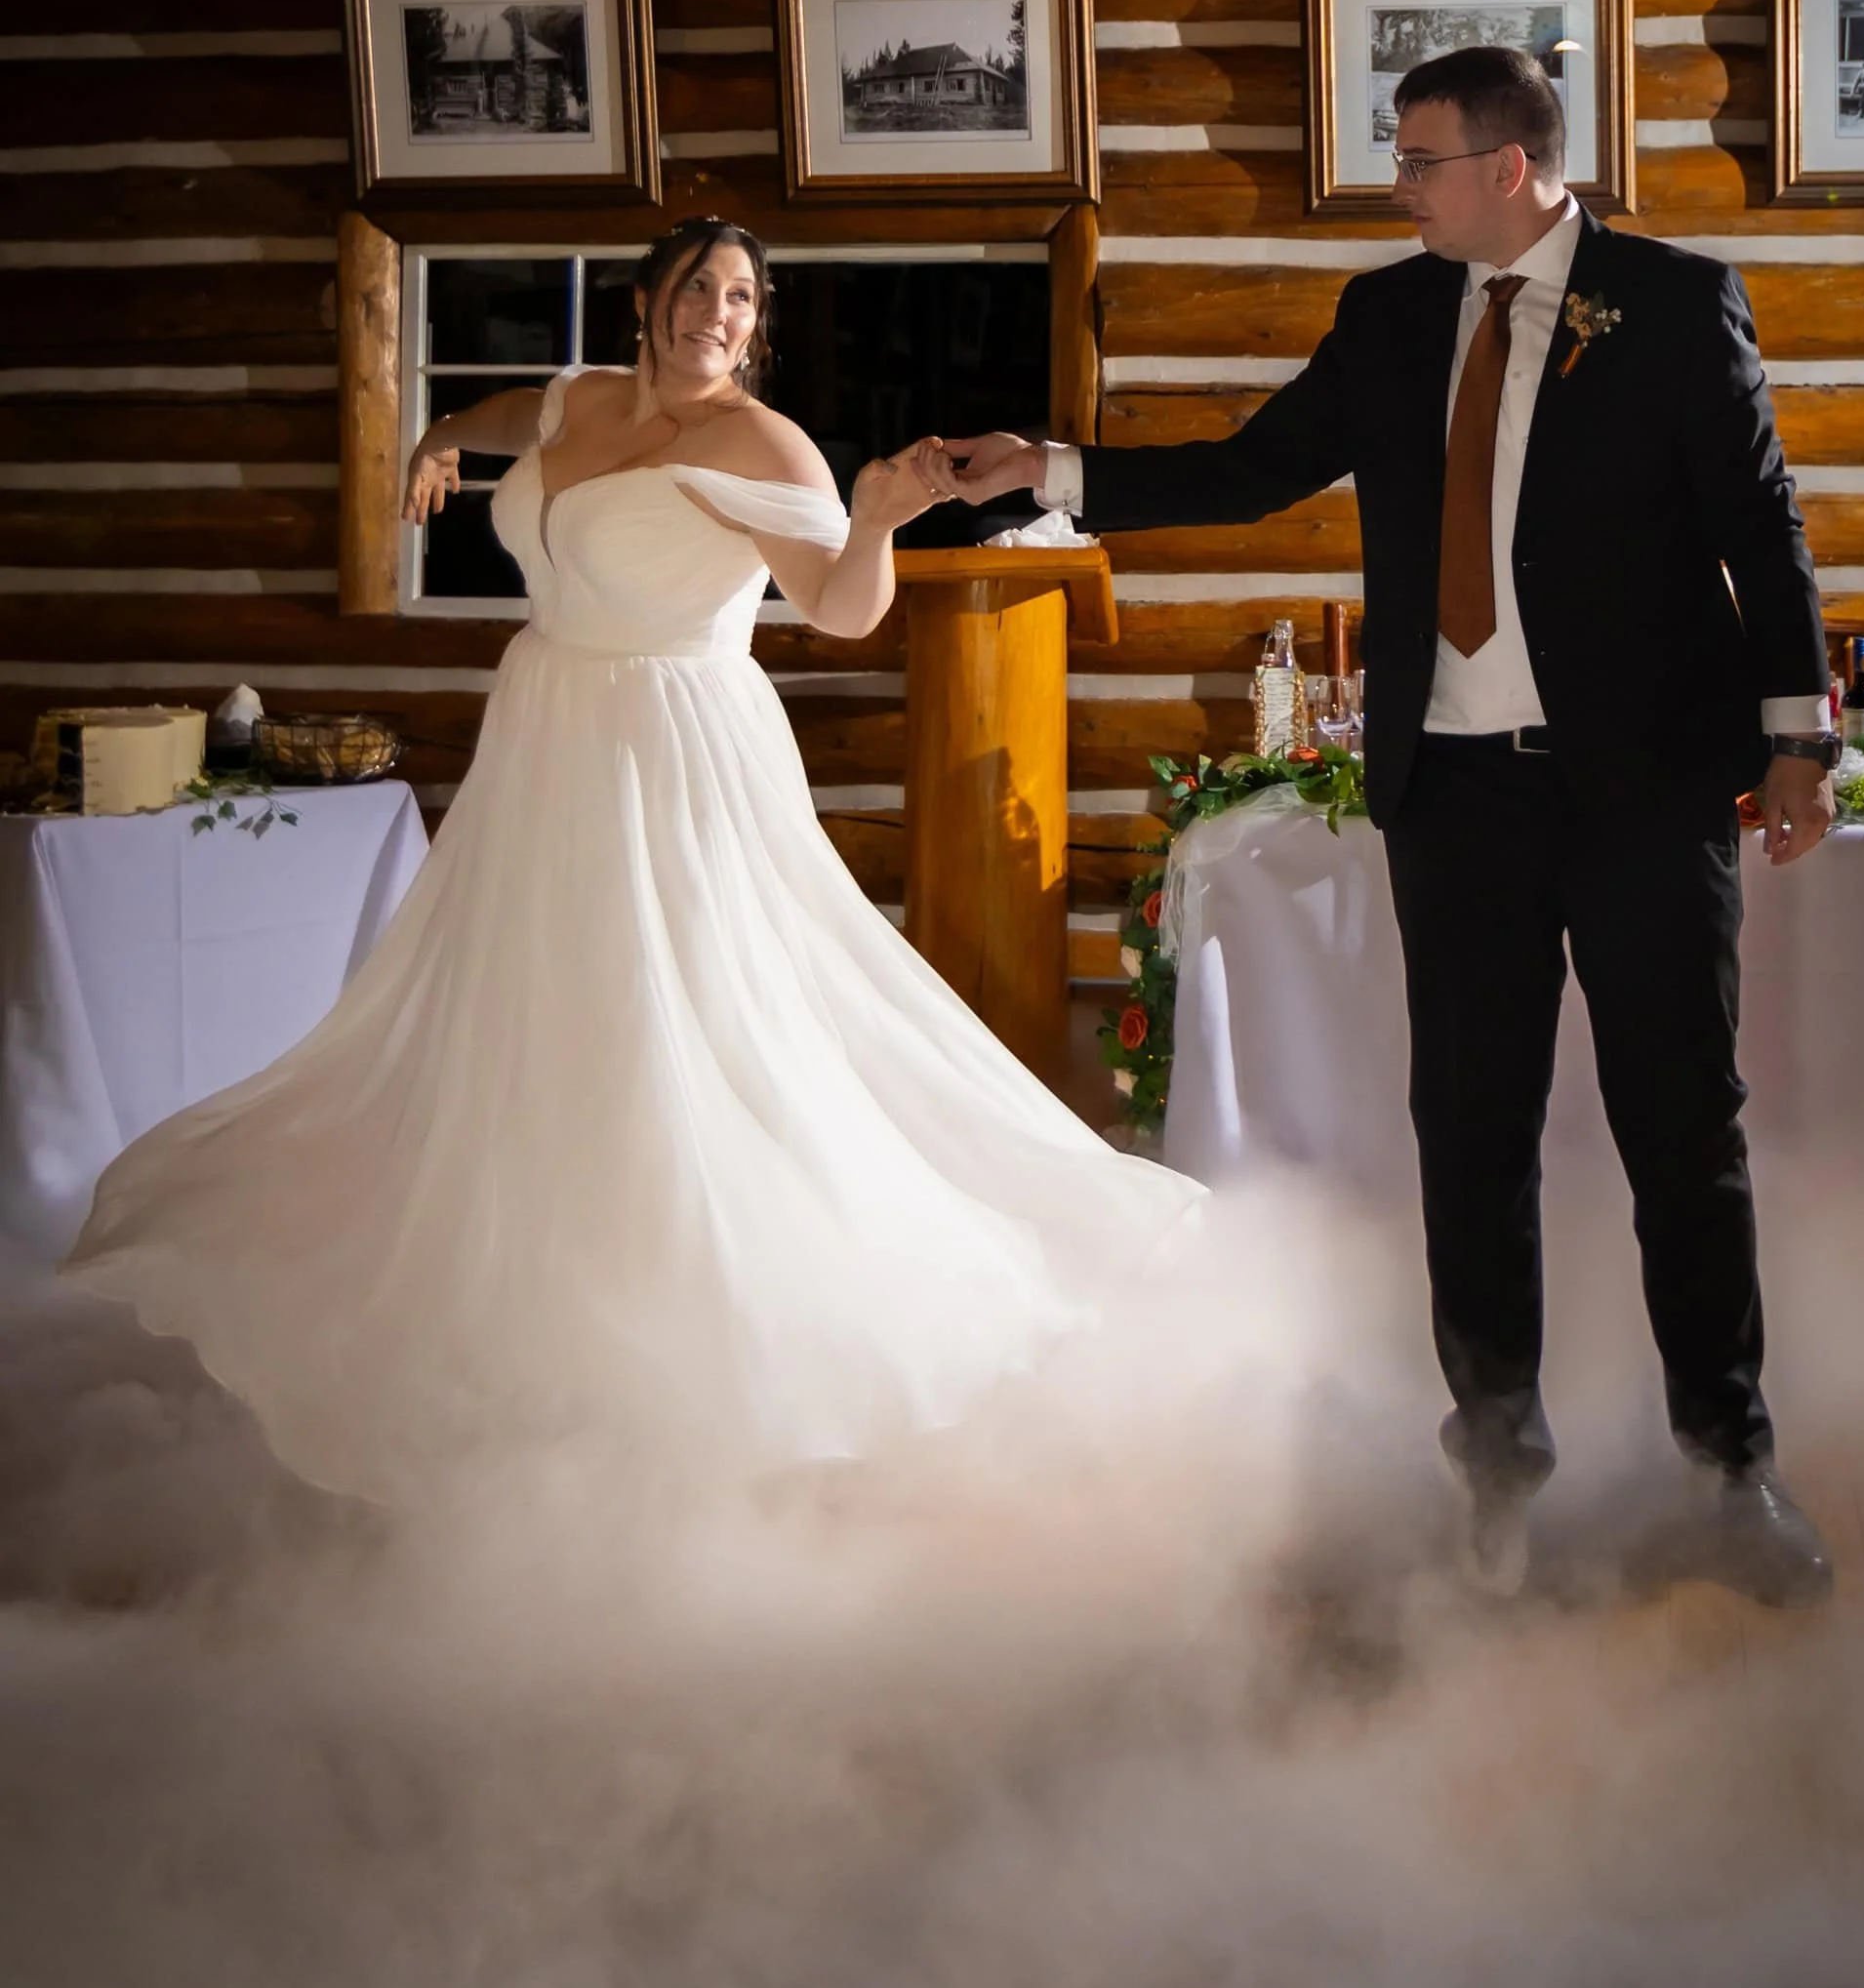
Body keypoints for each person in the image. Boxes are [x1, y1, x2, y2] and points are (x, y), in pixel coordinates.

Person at [62, 219, 1201, 1507]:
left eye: (742, 297)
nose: (718, 311)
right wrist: (439, 437)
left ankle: (697, 1317)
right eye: (697, 286)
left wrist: (877, 519)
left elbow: (840, 610)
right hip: (546, 729)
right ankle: (530, 1295)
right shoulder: (581, 398)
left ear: (755, 325)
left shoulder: (764, 444)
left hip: (672, 744)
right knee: (536, 1007)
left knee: (685, 1010)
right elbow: (510, 418)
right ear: (648, 300)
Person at [951, 47, 1839, 1606]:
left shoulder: (1676, 303)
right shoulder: (1388, 317)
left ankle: (1731, 1467)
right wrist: (1059, 471)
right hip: (1460, 799)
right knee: (1473, 1140)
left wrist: (1797, 740)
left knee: (1682, 1134)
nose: (1397, 187)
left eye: (1418, 160)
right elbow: (1255, 472)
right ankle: (1496, 1470)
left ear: (1508, 168)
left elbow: (1760, 530)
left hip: (1644, 795)